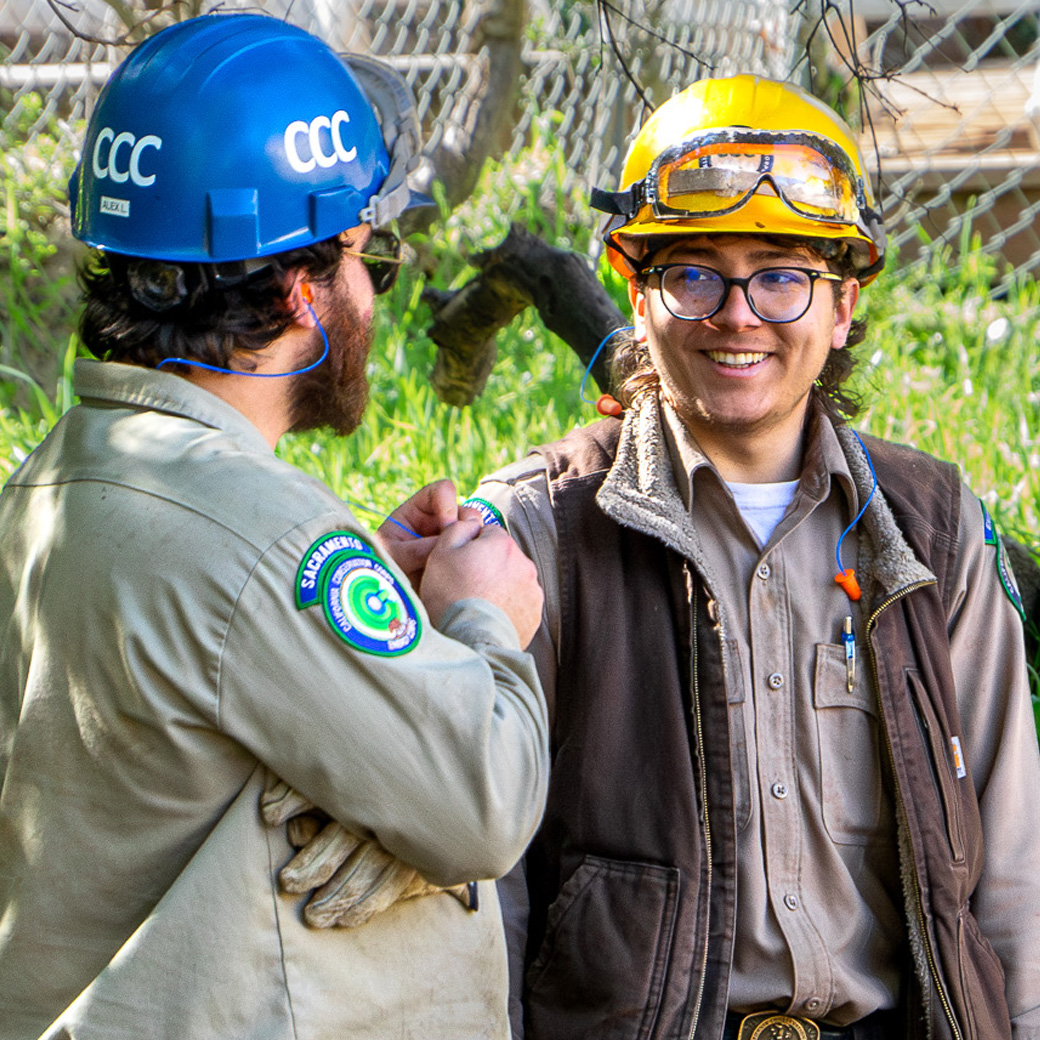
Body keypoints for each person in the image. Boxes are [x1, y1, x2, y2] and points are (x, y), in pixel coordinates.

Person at [0, 14, 548, 1040]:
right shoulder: (264, 542)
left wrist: (367, 591)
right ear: (303, 290)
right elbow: (481, 800)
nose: (371, 294)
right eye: (363, 258)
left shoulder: (52, 479)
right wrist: (482, 621)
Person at [474, 75, 1040, 1040]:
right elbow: (490, 893)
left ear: (845, 303)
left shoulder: (932, 528)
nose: (738, 315)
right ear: (637, 292)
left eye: (782, 275)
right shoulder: (539, 531)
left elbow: (1014, 867)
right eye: (694, 273)